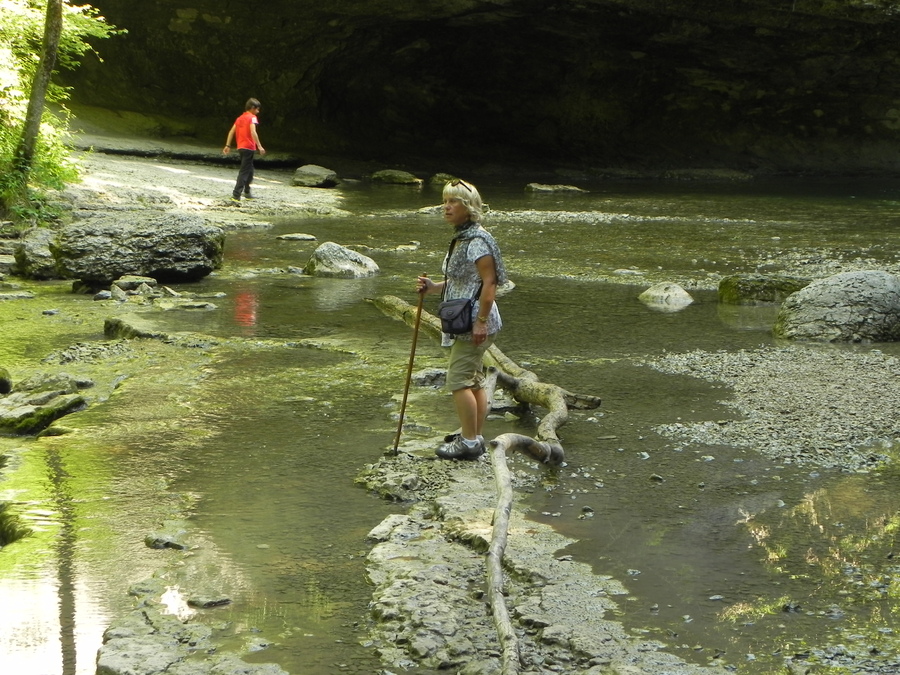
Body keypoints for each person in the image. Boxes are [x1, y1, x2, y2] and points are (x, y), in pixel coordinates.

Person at [417, 179, 508, 460]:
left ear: (468, 208)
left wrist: (480, 321)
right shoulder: (463, 236)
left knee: (458, 381)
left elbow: (489, 283)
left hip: (474, 322)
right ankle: (475, 436)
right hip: (468, 319)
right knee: (474, 380)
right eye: (445, 201)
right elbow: (462, 281)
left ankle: (468, 442)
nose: (446, 207)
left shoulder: (478, 240)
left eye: (453, 202)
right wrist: (434, 287)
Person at [223, 98, 266, 203]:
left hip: (241, 147)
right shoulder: (253, 118)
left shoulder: (239, 118)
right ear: (252, 108)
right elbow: (253, 132)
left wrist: (227, 145)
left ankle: (247, 192)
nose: (258, 112)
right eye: (257, 109)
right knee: (244, 171)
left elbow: (231, 131)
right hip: (249, 147)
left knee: (250, 170)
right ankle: (236, 195)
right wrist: (259, 146)